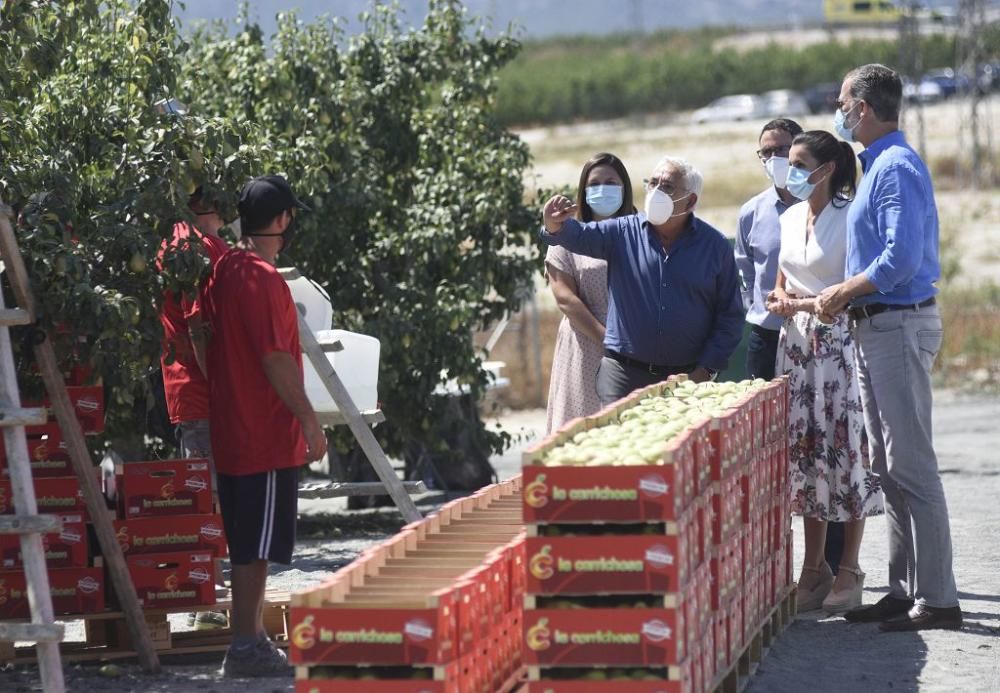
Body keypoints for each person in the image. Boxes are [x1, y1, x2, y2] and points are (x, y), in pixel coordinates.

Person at [817, 64, 961, 631]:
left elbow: (900, 260)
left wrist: (846, 289)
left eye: (844, 101)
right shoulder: (877, 165)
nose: (839, 109)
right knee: (888, 466)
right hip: (876, 327)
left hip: (898, 325)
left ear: (865, 109)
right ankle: (902, 588)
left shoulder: (895, 167)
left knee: (913, 465)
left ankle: (941, 597)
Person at [203, 175, 328, 675]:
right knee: (255, 548)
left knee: (244, 542)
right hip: (264, 435)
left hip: (232, 428)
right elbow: (276, 359)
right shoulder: (263, 278)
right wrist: (310, 423)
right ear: (282, 221)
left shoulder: (224, 268)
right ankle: (245, 645)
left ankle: (250, 637)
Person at [765, 130, 883, 614]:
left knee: (845, 450)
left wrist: (799, 303)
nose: (788, 170)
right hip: (794, 347)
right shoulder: (791, 216)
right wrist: (780, 301)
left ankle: (850, 566)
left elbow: (851, 288)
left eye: (797, 162)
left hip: (837, 347)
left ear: (826, 168)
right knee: (807, 455)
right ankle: (813, 568)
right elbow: (781, 277)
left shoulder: (849, 216)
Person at [736, 119, 847, 574]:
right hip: (776, 338)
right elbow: (752, 273)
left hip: (829, 340)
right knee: (785, 450)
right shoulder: (761, 213)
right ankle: (791, 562)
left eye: (787, 153)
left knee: (830, 446)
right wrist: (770, 308)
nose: (778, 163)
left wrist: (798, 304)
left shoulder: (841, 213)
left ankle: (837, 562)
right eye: (768, 154)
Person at [540, 157, 744, 405]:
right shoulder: (622, 232)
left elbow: (729, 317)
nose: (656, 191)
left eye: (667, 186)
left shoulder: (715, 248)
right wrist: (553, 226)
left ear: (690, 201)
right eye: (652, 183)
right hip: (622, 376)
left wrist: (704, 372)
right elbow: (578, 236)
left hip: (686, 380)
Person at [156, 190, 232, 629]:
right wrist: (222, 386)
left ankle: (213, 595)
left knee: (215, 496)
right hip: (202, 392)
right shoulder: (191, 246)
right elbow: (199, 327)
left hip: (200, 391)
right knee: (209, 497)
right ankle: (207, 601)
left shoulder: (197, 242)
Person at [545, 152, 637, 433]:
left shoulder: (642, 232)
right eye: (595, 183)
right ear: (584, 191)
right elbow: (565, 298)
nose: (603, 189)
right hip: (585, 344)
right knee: (581, 428)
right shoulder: (566, 236)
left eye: (611, 182)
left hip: (635, 344)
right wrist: (606, 338)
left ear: (624, 188)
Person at [735, 118, 802, 380]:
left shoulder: (829, 205)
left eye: (782, 150)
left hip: (818, 331)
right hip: (767, 335)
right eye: (767, 152)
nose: (774, 158)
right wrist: (760, 306)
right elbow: (745, 268)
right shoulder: (752, 211)